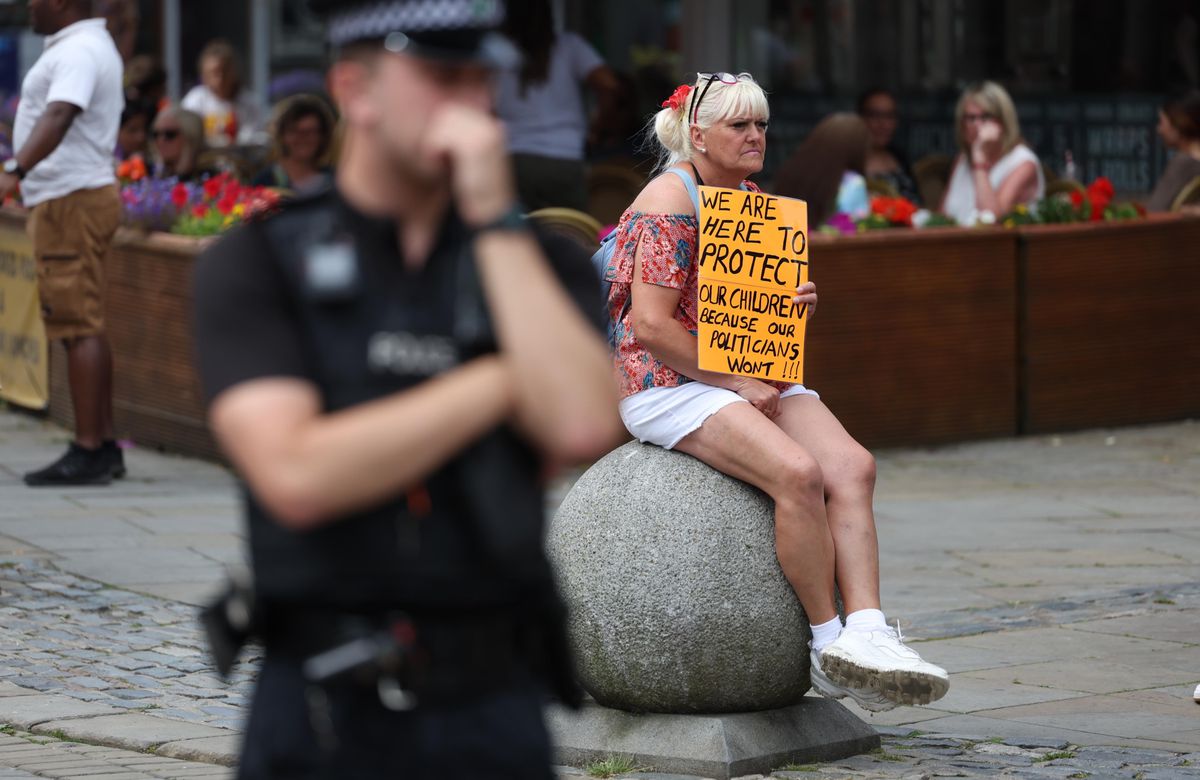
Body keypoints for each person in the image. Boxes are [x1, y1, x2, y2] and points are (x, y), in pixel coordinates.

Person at [191, 0, 624, 776]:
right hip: (322, 706)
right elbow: (296, 472)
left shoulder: (535, 266)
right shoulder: (262, 262)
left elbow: (585, 422)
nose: (470, 105)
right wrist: (497, 381)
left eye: (480, 79)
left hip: (492, 700)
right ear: (355, 89)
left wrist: (494, 216)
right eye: (439, 76)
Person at [604, 71, 949, 711]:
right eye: (740, 125)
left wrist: (790, 307)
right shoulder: (667, 201)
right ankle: (827, 645)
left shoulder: (750, 199)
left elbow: (740, 307)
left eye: (761, 123)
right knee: (798, 473)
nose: (756, 135)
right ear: (697, 135)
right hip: (667, 383)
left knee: (854, 466)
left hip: (742, 371)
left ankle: (868, 633)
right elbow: (650, 327)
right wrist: (737, 379)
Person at [2, 0, 125, 485]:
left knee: (77, 325)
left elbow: (58, 115)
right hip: (72, 196)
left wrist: (14, 172)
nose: (27, 6)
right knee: (85, 322)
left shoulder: (79, 50)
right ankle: (105, 445)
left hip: (69, 199)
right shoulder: (88, 45)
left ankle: (88, 450)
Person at [493, 0, 620, 211]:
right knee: (573, 233)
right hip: (564, 158)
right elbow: (610, 84)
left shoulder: (497, 52)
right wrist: (596, 129)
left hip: (512, 159)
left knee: (519, 234)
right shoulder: (569, 46)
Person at [940, 80, 1044, 225]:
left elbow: (991, 221)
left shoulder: (1024, 164)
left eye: (985, 117)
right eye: (970, 118)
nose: (977, 125)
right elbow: (941, 218)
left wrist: (979, 160)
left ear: (1003, 121)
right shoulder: (962, 160)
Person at [773, 112, 871, 228]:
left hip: (791, 241)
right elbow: (856, 229)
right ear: (857, 149)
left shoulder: (792, 172)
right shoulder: (854, 183)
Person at [181, 39, 266, 148]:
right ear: (204, 75)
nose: (220, 78)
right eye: (214, 73)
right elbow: (187, 136)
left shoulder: (250, 103)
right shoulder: (195, 100)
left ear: (234, 71)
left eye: (225, 71)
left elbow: (255, 140)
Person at [251, 94, 335, 192]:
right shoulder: (264, 182)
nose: (303, 138)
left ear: (323, 136)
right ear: (281, 135)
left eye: (311, 131)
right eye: (294, 131)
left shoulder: (338, 182)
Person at [858, 88, 920, 203]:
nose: (883, 124)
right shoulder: (849, 164)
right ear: (861, 118)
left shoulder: (900, 158)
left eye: (889, 116)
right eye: (875, 115)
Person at [1146, 90, 1200, 212]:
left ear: (1179, 124)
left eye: (1162, 122)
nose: (1159, 130)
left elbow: (1154, 211)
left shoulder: (1184, 163)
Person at [148, 105, 206, 180]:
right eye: (155, 134)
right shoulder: (147, 175)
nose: (160, 140)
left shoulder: (208, 177)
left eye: (169, 134)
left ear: (190, 136)